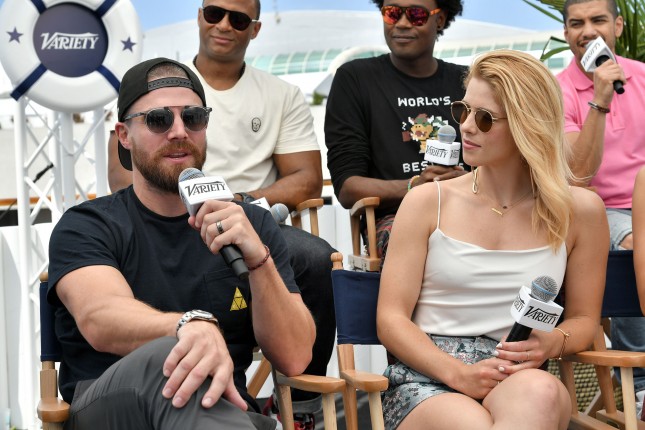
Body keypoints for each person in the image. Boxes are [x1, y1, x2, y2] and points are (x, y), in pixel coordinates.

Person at [47, 57, 316, 430]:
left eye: (193, 118)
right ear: (124, 135)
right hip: (113, 409)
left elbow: (296, 357)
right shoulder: (88, 225)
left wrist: (259, 263)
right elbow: (100, 317)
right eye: (158, 119)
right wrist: (189, 326)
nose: (178, 132)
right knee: (168, 355)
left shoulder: (248, 225)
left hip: (221, 411)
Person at [108, 1, 336, 426]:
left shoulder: (280, 93)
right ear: (200, 16)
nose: (225, 25)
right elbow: (123, 180)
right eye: (215, 12)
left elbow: (307, 179)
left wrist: (241, 204)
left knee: (314, 257)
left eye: (239, 18)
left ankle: (303, 402)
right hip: (164, 212)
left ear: (255, 29)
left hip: (254, 218)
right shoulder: (155, 87)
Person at [376, 50, 609, 430]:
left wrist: (551, 343)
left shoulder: (579, 211)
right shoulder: (427, 201)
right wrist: (457, 373)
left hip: (516, 372)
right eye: (462, 111)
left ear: (527, 125)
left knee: (543, 393)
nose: (467, 127)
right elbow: (390, 319)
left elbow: (584, 320)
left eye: (484, 118)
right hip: (427, 376)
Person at [325, 0, 468, 262]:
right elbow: (348, 187)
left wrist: (465, 183)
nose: (401, 23)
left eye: (416, 14)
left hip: (469, 208)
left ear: (440, 19)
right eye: (392, 13)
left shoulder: (466, 82)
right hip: (396, 218)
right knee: (431, 243)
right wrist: (416, 186)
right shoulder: (355, 79)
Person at [556, 0, 645, 413]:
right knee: (633, 245)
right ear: (566, 34)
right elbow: (577, 175)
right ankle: (641, 382)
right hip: (596, 210)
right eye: (577, 24)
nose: (588, 31)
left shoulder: (641, 76)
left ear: (618, 27)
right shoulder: (559, 91)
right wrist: (601, 98)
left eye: (598, 20)